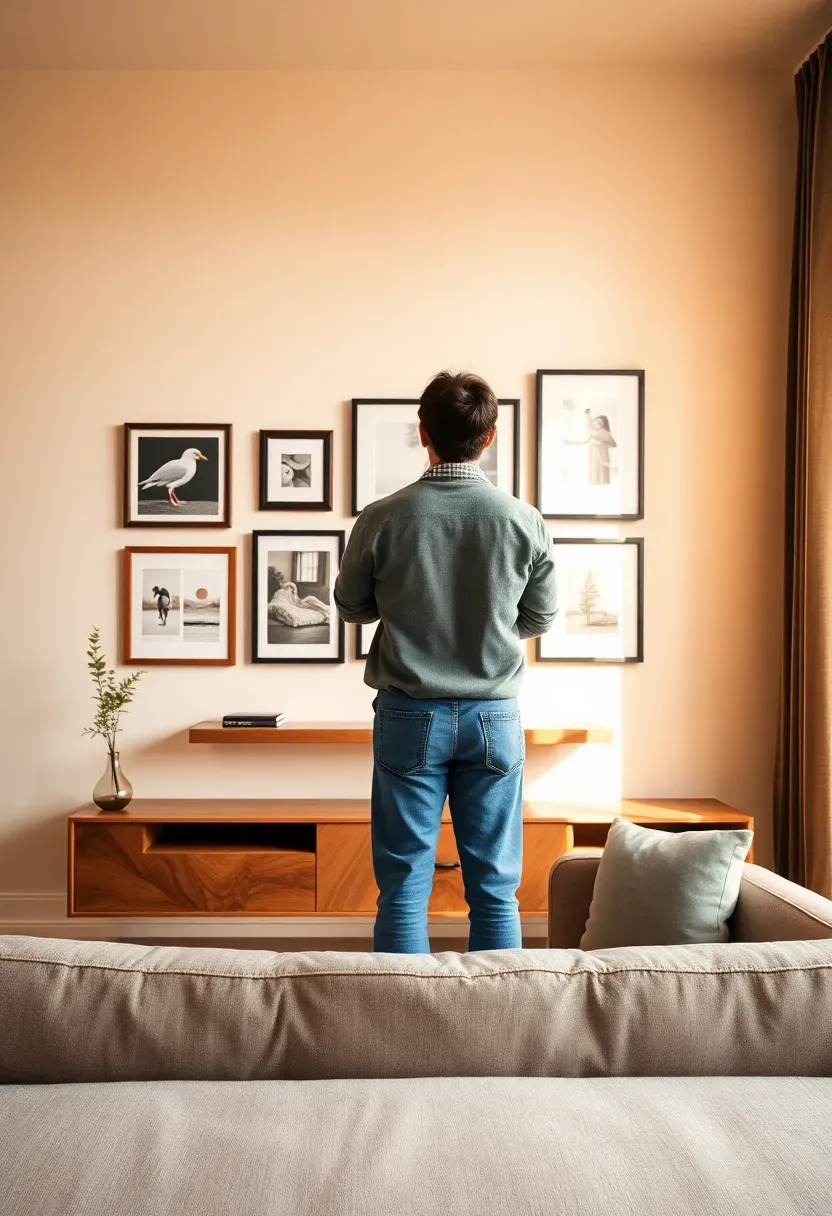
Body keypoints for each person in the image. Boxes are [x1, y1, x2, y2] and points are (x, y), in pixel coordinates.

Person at [334, 370, 557, 953]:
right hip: (494, 719)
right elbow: (539, 618)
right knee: (495, 890)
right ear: (488, 438)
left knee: (404, 887)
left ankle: (401, 1035)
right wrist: (488, 628)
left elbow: (352, 608)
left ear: (423, 432)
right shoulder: (523, 519)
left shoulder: (382, 517)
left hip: (410, 716)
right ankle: (498, 1035)